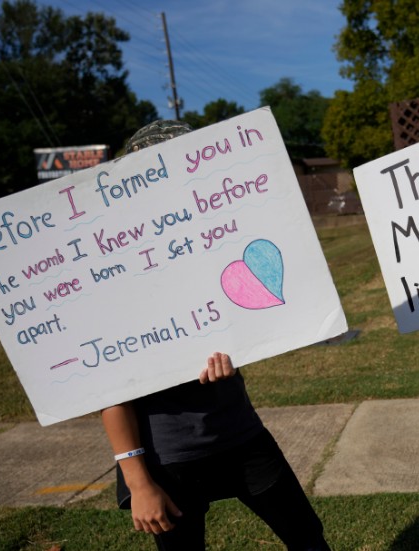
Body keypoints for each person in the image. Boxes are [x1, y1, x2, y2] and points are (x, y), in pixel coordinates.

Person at [101, 120, 331, 551]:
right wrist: (138, 482)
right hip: (168, 457)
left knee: (307, 537)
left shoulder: (215, 245)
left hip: (240, 433)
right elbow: (109, 388)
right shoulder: (118, 275)